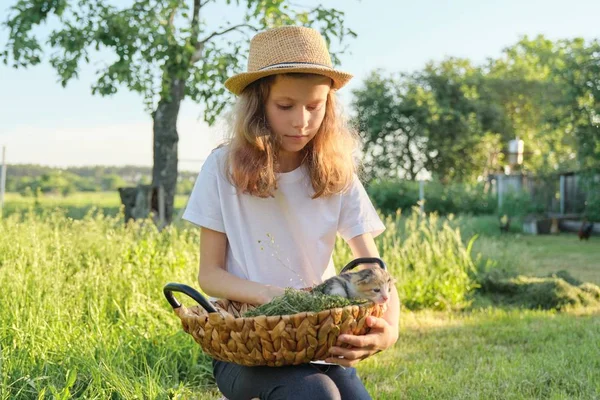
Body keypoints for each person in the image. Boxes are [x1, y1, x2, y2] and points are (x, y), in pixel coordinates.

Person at [182, 25, 400, 400]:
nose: (301, 121)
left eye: (314, 107)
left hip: (316, 337)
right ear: (259, 104)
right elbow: (210, 275)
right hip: (249, 344)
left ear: (327, 106)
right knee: (317, 394)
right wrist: (272, 296)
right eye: (285, 106)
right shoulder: (222, 168)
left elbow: (372, 264)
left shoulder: (336, 170)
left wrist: (391, 328)